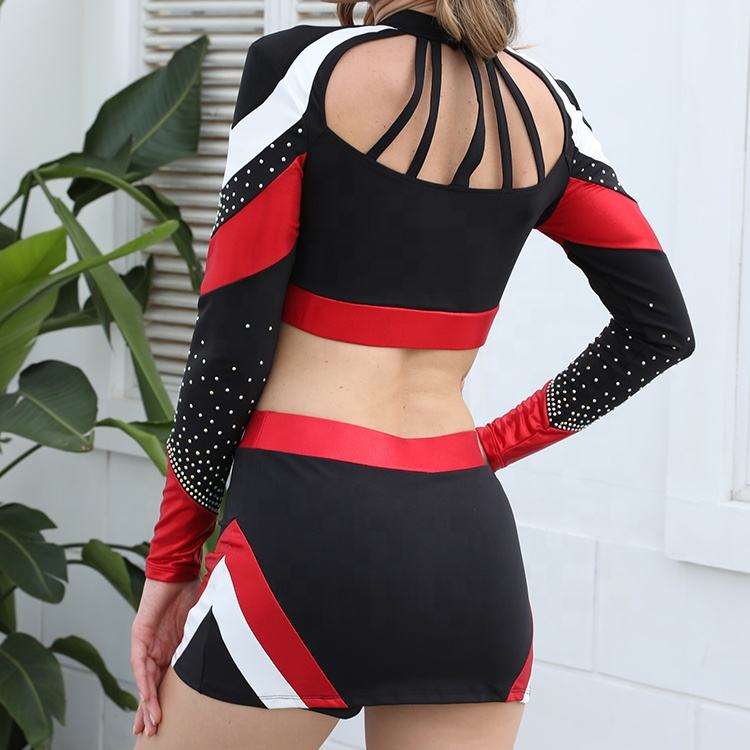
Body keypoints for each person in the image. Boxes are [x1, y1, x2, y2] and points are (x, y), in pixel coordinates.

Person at [131, 0, 695, 747]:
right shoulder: (551, 109)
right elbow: (659, 329)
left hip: (302, 530)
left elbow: (230, 349)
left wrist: (172, 561)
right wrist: (487, 448)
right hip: (466, 544)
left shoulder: (302, 69)